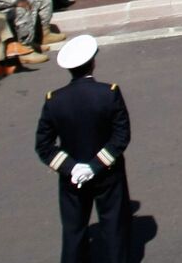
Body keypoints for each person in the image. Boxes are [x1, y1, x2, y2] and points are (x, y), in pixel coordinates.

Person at [35, 34, 131, 263]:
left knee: (74, 231)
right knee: (113, 228)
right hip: (107, 173)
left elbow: (44, 145)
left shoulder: (54, 100)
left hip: (71, 179)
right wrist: (95, 166)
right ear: (93, 62)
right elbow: (121, 136)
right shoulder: (108, 93)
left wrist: (71, 168)